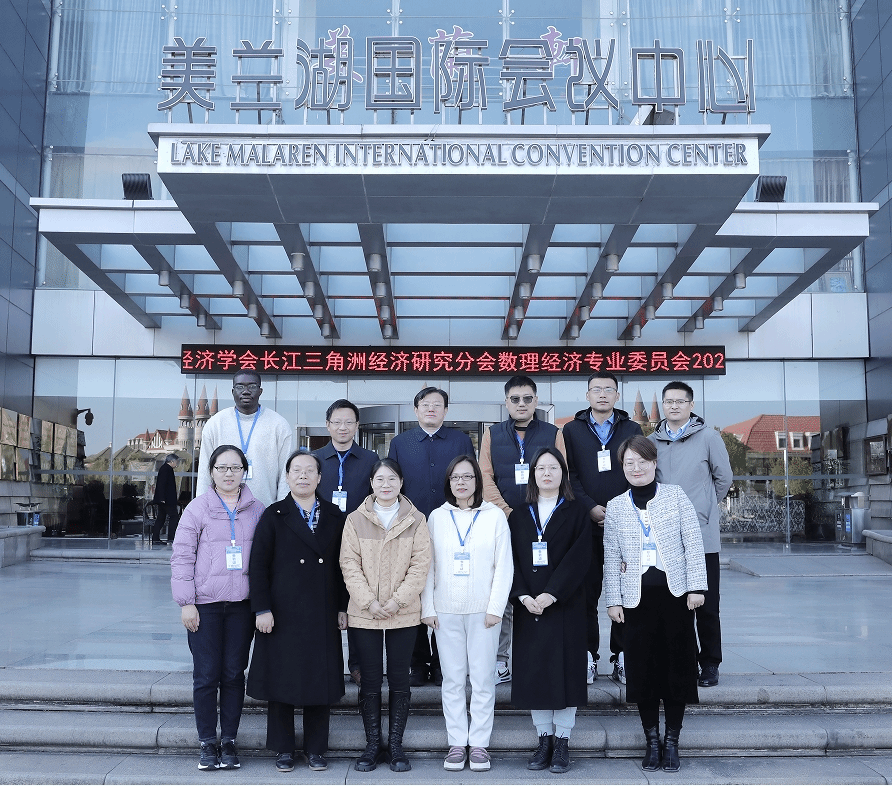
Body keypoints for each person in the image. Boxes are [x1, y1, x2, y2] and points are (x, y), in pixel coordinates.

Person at [604, 435, 708, 773]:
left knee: (677, 671)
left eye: (642, 461)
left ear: (653, 462)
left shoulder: (675, 496)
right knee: (643, 673)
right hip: (635, 602)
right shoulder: (617, 505)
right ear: (622, 468)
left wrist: (697, 588)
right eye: (629, 463)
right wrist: (613, 600)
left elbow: (693, 543)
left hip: (676, 597)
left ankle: (672, 742)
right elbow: (611, 557)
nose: (636, 468)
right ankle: (652, 741)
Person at [246, 449, 348, 773]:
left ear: (319, 478)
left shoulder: (335, 515)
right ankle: (284, 749)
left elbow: (343, 567)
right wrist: (261, 609)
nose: (303, 475)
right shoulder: (274, 515)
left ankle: (316, 749)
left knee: (320, 679)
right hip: (282, 612)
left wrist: (343, 607)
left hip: (323, 610)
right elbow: (258, 567)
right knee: (282, 681)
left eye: (309, 470)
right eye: (296, 470)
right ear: (287, 477)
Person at [170, 445, 264, 771]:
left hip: (241, 607)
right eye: (222, 467)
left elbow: (266, 560)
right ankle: (207, 742)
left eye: (235, 468)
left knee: (234, 674)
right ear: (211, 472)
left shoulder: (257, 510)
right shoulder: (197, 509)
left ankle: (229, 741)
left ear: (244, 471)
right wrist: (186, 603)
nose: (228, 473)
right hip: (205, 606)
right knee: (207, 675)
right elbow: (182, 558)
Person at [421, 455, 513, 772]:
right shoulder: (437, 517)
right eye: (455, 477)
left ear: (477, 481)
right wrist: (428, 608)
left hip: (483, 612)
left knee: (484, 679)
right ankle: (458, 742)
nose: (461, 482)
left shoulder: (494, 517)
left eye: (467, 477)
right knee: (453, 680)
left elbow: (504, 566)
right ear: (448, 482)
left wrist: (495, 608)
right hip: (445, 612)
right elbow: (428, 566)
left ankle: (480, 744)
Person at [339, 458, 431, 773]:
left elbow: (421, 565)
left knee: (399, 679)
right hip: (364, 614)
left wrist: (397, 601)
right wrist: (368, 602)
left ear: (401, 482)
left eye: (392, 479)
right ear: (371, 484)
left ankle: (395, 745)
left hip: (403, 614)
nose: (386, 485)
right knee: (369, 681)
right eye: (380, 479)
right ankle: (372, 745)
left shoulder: (416, 519)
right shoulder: (355, 520)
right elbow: (348, 564)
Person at [508, 447, 591, 774]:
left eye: (553, 468)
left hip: (566, 605)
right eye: (540, 468)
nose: (546, 473)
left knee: (566, 674)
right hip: (528, 607)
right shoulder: (518, 514)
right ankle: (544, 740)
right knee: (536, 673)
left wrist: (552, 594)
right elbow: (510, 560)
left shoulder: (577, 511)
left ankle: (563, 742)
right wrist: (523, 596)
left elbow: (579, 558)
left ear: (562, 473)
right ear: (532, 474)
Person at [478, 375, 565, 685]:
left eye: (528, 398)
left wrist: (535, 518)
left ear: (536, 401)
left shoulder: (553, 433)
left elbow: (561, 473)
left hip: (542, 526)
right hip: (502, 524)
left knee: (538, 590)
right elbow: (485, 477)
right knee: (503, 591)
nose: (522, 404)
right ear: (506, 402)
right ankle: (500, 660)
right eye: (515, 399)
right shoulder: (492, 434)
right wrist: (508, 513)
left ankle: (538, 658)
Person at [648, 381, 732, 688]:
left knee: (707, 605)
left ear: (691, 405)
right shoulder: (651, 441)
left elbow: (724, 478)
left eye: (680, 401)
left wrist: (704, 509)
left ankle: (710, 663)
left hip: (701, 535)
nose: (673, 406)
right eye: (668, 401)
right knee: (672, 604)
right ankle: (681, 662)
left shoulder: (709, 437)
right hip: (664, 536)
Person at [388, 387, 473, 687]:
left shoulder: (460, 440)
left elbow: (470, 479)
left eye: (438, 405)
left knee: (444, 593)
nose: (431, 409)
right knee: (412, 593)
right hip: (410, 528)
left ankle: (441, 662)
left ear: (446, 411)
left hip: (452, 527)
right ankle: (417, 661)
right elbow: (392, 485)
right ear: (416, 410)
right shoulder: (400, 442)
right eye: (425, 405)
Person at [561, 372, 642, 684]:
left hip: (624, 525)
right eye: (596, 389)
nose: (603, 394)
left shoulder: (632, 429)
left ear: (617, 395)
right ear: (587, 396)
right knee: (586, 594)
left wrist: (619, 510)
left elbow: (638, 471)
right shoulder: (571, 430)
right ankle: (588, 656)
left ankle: (622, 655)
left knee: (626, 591)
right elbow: (568, 475)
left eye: (609, 389)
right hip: (586, 525)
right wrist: (589, 507)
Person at [313, 398, 378, 687]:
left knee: (359, 601)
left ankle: (358, 665)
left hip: (360, 542)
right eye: (337, 422)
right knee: (324, 601)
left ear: (357, 426)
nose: (343, 427)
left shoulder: (370, 460)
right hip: (322, 542)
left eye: (348, 422)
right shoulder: (315, 459)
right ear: (327, 425)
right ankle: (323, 663)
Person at [196, 370, 292, 507]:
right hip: (221, 512)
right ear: (232, 391)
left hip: (266, 511)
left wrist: (282, 511)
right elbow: (205, 474)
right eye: (240, 386)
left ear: (260, 391)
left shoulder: (279, 425)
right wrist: (202, 508)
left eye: (252, 386)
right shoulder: (215, 424)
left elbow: (285, 475)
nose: (246, 391)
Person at [152, 453, 180, 545]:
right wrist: (162, 498)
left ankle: (156, 539)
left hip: (165, 499)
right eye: (176, 461)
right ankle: (171, 538)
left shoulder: (165, 468)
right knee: (174, 517)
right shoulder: (166, 469)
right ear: (172, 461)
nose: (177, 463)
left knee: (161, 518)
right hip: (166, 500)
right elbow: (161, 484)